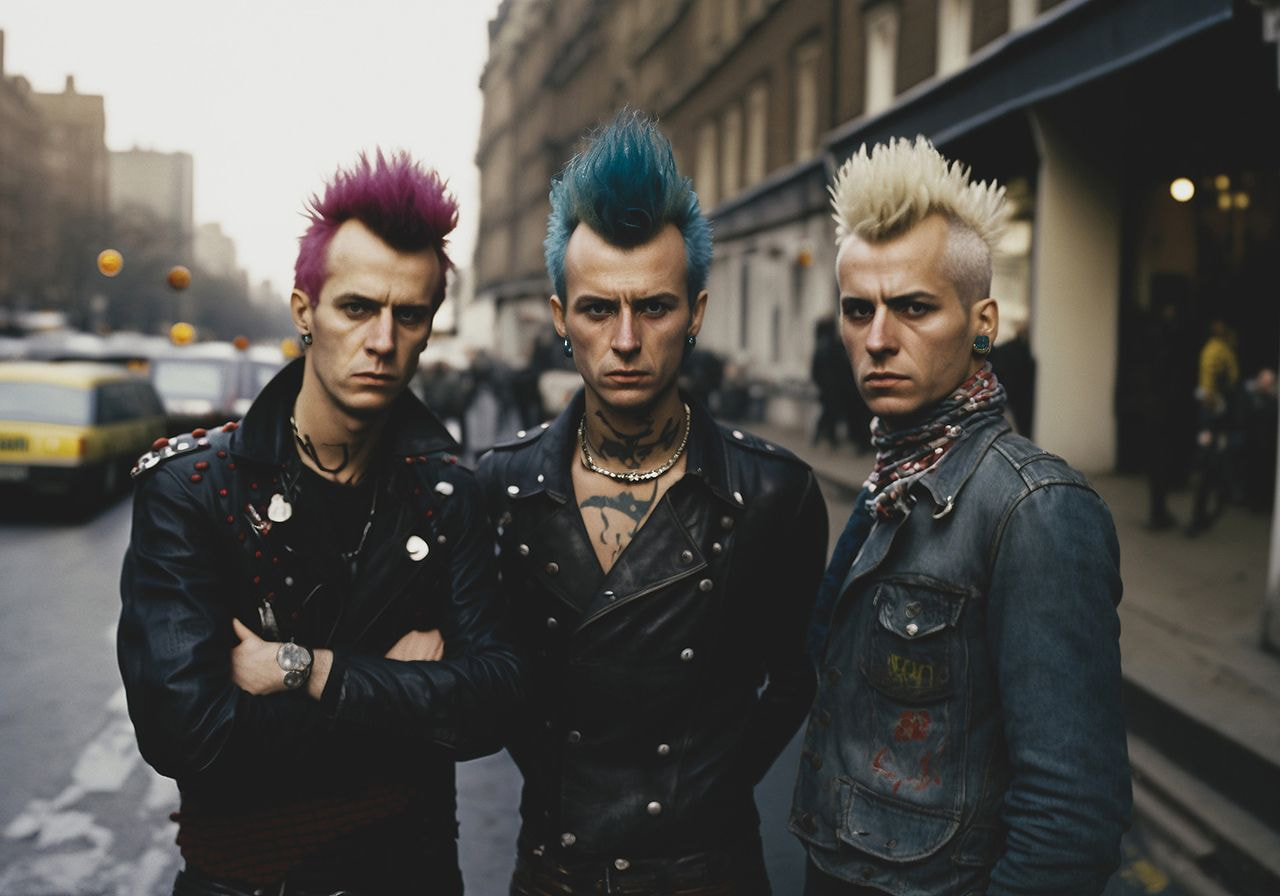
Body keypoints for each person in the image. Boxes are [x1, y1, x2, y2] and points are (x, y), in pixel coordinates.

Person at [118, 151, 522, 896]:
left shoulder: (449, 494)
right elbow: (189, 735)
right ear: (305, 310)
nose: (382, 340)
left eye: (408, 314)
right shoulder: (193, 490)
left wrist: (306, 671)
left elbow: (492, 703)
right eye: (357, 307)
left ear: (431, 326)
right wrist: (401, 687)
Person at [477, 112, 828, 896]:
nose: (627, 340)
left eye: (655, 308)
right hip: (554, 869)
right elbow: (487, 683)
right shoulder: (499, 488)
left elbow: (795, 678)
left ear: (695, 314)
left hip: (710, 870)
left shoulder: (774, 494)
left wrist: (701, 794)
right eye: (599, 309)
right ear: (561, 318)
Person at [791, 137, 1130, 896]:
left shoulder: (1034, 511)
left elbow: (1071, 819)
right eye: (858, 310)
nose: (878, 339)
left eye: (913, 307)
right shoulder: (894, 478)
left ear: (983, 322)